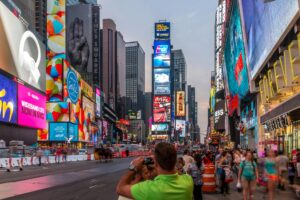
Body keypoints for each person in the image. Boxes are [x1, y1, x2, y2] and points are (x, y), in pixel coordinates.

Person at [116, 142, 193, 200]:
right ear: (175, 160)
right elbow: (180, 172)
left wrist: (133, 167)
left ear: (155, 163)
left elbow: (120, 188)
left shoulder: (148, 189)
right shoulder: (188, 181)